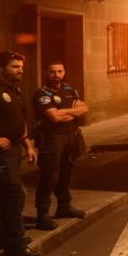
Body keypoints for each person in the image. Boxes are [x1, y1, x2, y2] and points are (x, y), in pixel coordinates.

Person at [0, 52, 39, 256]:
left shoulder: (13, 90)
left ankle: (1, 237)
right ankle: (16, 245)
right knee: (15, 193)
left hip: (13, 150)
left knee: (4, 194)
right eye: (15, 66)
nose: (20, 70)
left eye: (21, 66)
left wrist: (28, 146)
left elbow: (20, 121)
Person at [32, 61, 90, 231]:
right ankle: (42, 214)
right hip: (52, 138)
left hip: (71, 136)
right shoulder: (42, 93)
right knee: (50, 176)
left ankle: (64, 207)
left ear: (64, 72)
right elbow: (54, 118)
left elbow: (84, 108)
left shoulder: (69, 89)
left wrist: (63, 112)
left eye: (59, 71)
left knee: (66, 173)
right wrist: (72, 112)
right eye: (52, 71)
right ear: (46, 73)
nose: (56, 75)